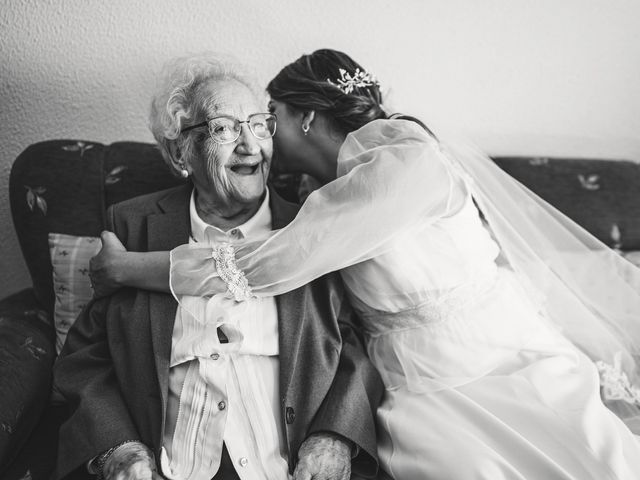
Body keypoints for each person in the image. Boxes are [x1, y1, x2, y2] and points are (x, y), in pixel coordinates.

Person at [90, 49, 640, 479]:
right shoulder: (319, 195)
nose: (260, 140)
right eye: (230, 126)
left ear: (304, 118)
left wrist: (127, 268)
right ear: (180, 151)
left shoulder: (402, 163)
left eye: (266, 119)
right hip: (406, 379)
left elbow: (274, 262)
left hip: (488, 356)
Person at [52, 53, 384, 480]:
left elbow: (356, 343)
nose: (250, 145)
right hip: (171, 466)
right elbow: (86, 358)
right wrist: (119, 447)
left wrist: (333, 436)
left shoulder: (310, 225)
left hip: (289, 465)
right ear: (180, 152)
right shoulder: (132, 227)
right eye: (224, 128)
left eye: (259, 124)